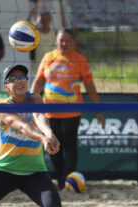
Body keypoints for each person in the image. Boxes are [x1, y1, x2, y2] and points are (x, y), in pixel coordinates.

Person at [0, 65, 61, 207]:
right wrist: (43, 138)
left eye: (22, 77)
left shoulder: (35, 99)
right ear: (6, 87)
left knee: (53, 205)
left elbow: (40, 117)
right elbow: (23, 126)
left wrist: (49, 133)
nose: (19, 81)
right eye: (14, 79)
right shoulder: (4, 109)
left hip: (34, 171)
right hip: (5, 170)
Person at [30, 28, 105, 190]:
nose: (64, 43)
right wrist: (28, 102)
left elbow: (90, 87)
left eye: (68, 40)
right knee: (53, 147)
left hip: (72, 112)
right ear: (56, 40)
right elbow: (38, 81)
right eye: (61, 40)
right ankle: (60, 182)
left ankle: (68, 182)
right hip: (50, 111)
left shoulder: (80, 60)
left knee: (70, 147)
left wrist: (98, 110)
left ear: (73, 42)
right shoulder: (48, 57)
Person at [27, 8, 56, 74]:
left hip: (53, 67)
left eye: (47, 19)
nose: (45, 21)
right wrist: (31, 14)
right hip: (39, 68)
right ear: (41, 20)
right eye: (43, 19)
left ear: (50, 20)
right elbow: (25, 29)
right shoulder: (36, 34)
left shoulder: (55, 33)